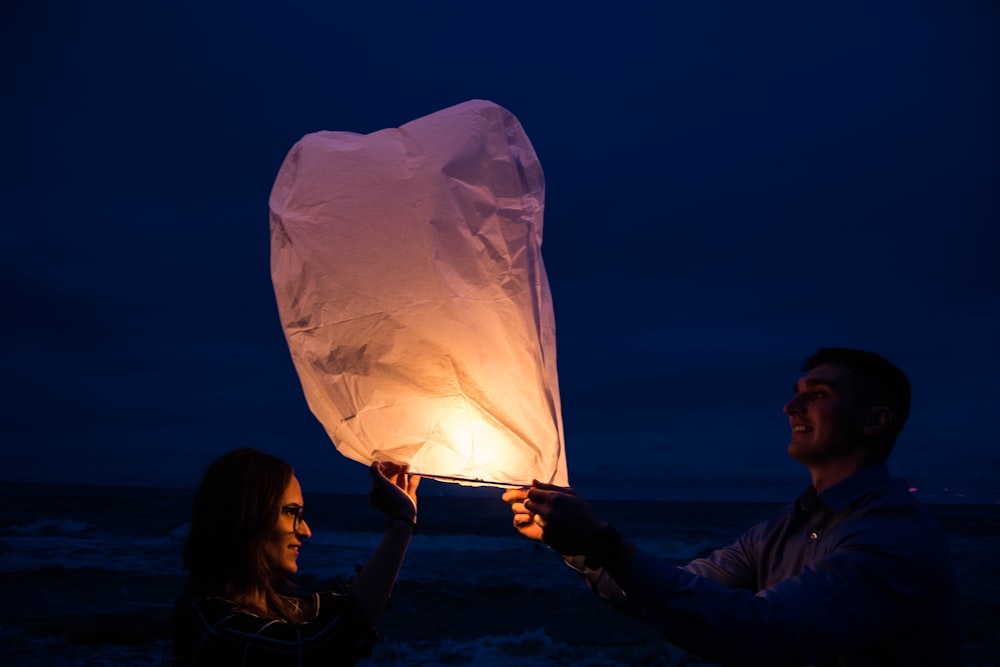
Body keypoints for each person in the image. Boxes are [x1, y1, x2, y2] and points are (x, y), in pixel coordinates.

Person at [503, 348, 962, 666]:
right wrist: (576, 546)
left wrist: (601, 542)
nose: (791, 406)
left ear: (874, 420)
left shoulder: (895, 538)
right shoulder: (784, 528)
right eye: (797, 391)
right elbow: (672, 596)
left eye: (818, 394)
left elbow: (765, 634)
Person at [171, 448, 419, 666]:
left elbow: (344, 606)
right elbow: (315, 649)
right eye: (292, 513)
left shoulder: (271, 608)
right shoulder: (214, 626)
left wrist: (403, 517)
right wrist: (402, 521)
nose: (306, 531)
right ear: (247, 518)